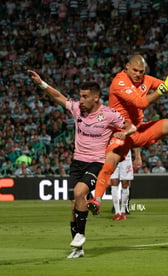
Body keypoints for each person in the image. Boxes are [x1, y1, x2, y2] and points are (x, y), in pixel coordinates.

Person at [28, 70, 136, 258]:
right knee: (73, 206)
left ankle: (79, 235)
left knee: (80, 193)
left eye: (85, 97)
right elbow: (58, 96)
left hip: (96, 163)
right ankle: (78, 249)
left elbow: (131, 126)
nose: (81, 100)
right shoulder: (77, 109)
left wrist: (123, 133)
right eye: (80, 96)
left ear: (96, 98)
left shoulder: (109, 114)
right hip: (77, 162)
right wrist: (41, 83)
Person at [88, 54, 168, 214]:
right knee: (109, 166)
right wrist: (163, 89)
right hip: (120, 132)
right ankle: (96, 201)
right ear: (126, 67)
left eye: (141, 71)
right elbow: (141, 103)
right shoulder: (119, 82)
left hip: (139, 131)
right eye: (135, 70)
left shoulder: (146, 79)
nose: (138, 74)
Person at [110, 148, 140, 221]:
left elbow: (136, 142)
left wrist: (137, 157)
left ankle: (123, 211)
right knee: (114, 182)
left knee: (125, 183)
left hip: (126, 156)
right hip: (112, 155)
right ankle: (117, 212)